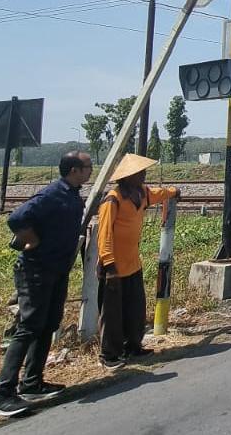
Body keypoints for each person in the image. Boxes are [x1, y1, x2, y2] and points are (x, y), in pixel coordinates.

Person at [0, 151, 93, 418]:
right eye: (88, 166)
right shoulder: (52, 194)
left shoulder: (71, 193)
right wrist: (31, 240)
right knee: (29, 326)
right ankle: (1, 395)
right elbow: (17, 218)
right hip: (36, 270)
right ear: (74, 170)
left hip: (56, 270)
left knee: (48, 324)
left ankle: (32, 383)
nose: (91, 171)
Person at [96, 153, 179, 369]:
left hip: (133, 264)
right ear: (129, 176)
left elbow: (158, 194)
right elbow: (104, 236)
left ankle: (133, 346)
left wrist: (174, 192)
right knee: (112, 313)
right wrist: (109, 265)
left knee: (135, 308)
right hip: (114, 267)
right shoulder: (112, 200)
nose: (144, 175)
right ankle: (109, 355)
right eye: (140, 172)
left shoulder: (141, 194)